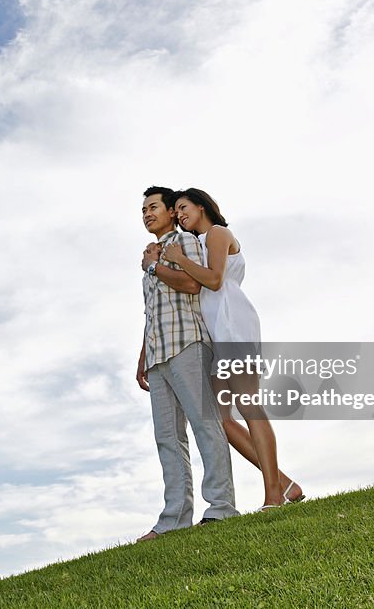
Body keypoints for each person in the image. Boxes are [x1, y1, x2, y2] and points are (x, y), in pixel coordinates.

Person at [163, 188, 304, 509]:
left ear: (202, 206)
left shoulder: (217, 232)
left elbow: (214, 280)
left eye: (184, 208)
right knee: (221, 420)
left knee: (251, 407)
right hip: (216, 333)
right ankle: (285, 484)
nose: (180, 214)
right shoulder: (196, 242)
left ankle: (273, 496)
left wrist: (180, 260)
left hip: (234, 326)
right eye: (177, 211)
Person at [135, 186, 239, 542]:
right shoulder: (151, 254)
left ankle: (222, 507)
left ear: (168, 212)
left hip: (188, 345)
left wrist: (154, 267)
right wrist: (142, 357)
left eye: (153, 207)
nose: (147, 213)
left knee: (205, 425)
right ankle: (173, 519)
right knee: (167, 437)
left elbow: (193, 286)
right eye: (143, 209)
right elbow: (152, 313)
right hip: (158, 353)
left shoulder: (186, 244)